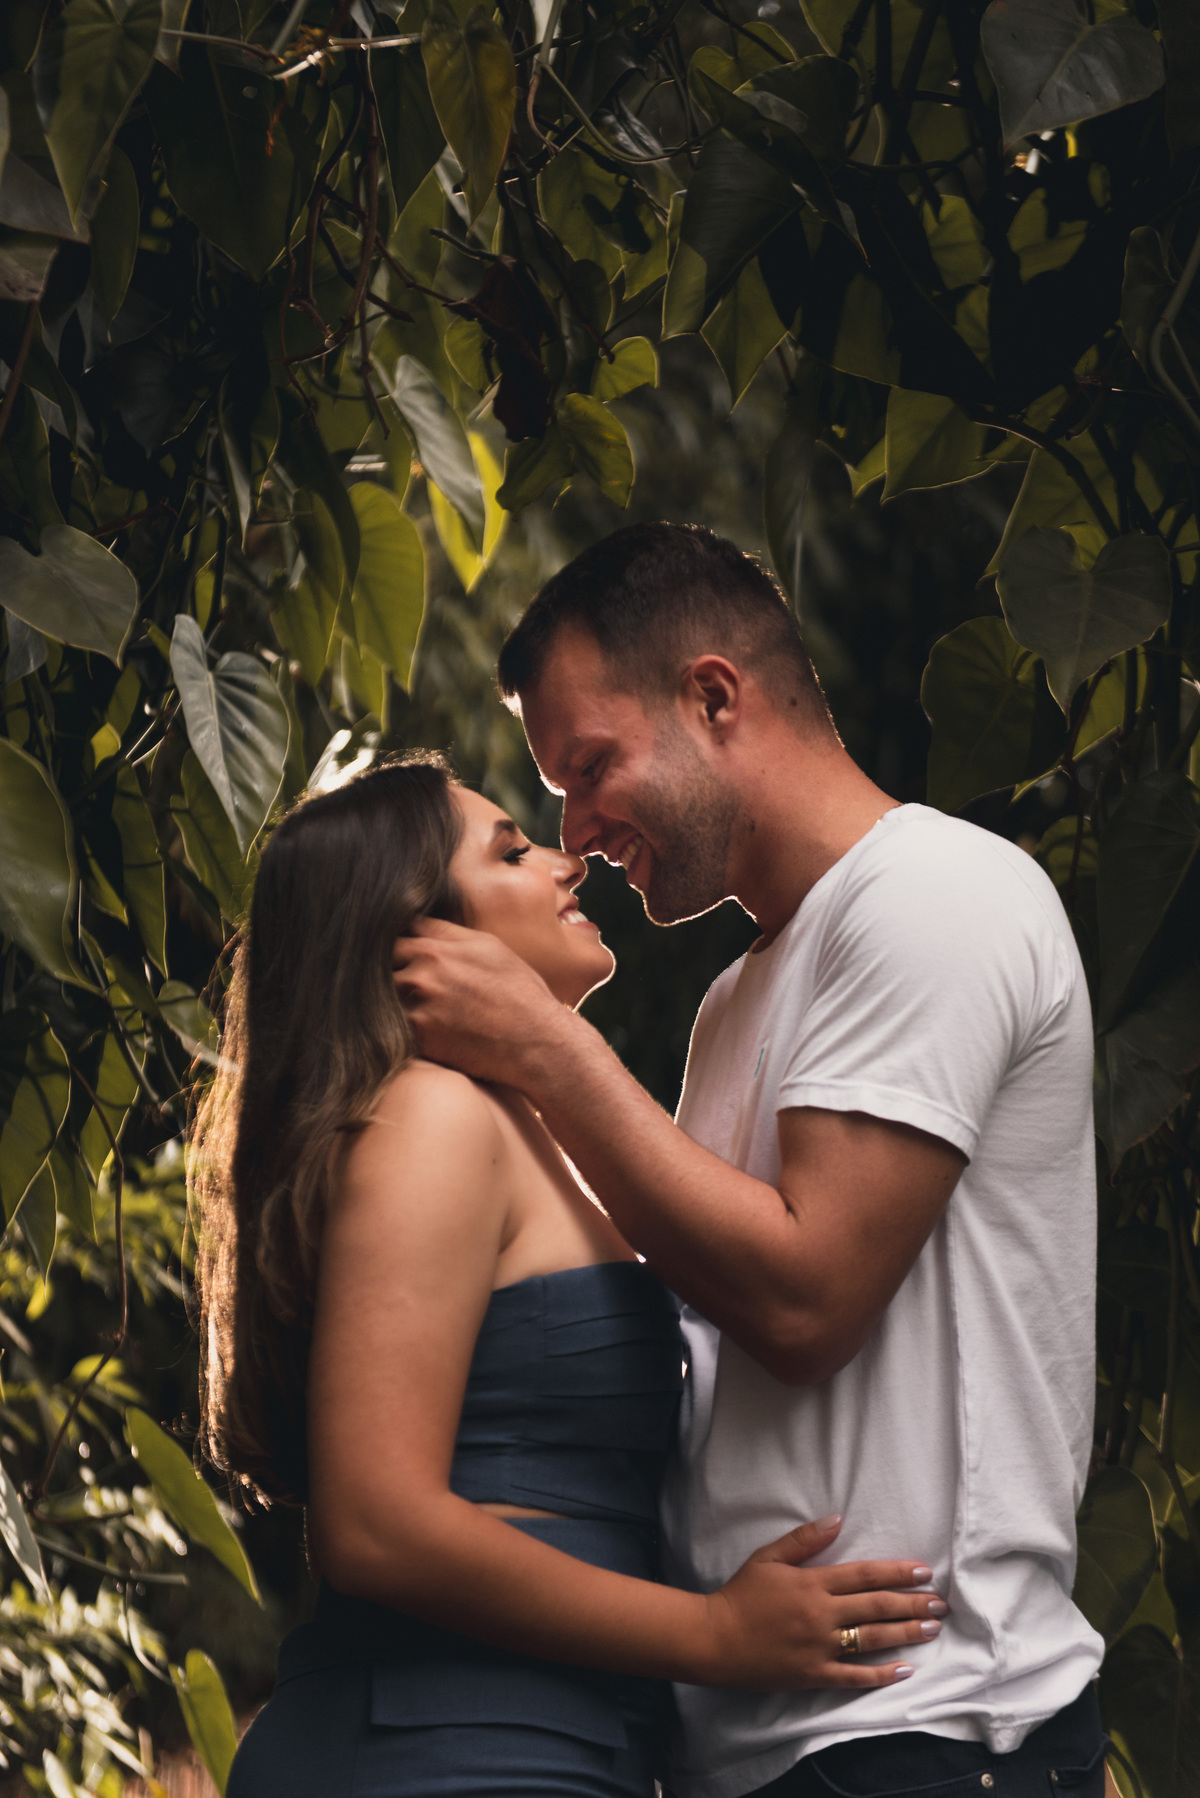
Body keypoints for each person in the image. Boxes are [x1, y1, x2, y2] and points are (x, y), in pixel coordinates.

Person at [393, 524, 1110, 1798]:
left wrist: (546, 1052)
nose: (576, 829)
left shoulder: (934, 892)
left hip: (928, 1727)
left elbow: (803, 1301)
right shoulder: (732, 1003)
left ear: (713, 697)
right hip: (764, 1745)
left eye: (590, 766)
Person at [191, 753, 943, 1798]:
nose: (567, 861)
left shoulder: (514, 1129)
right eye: (511, 852)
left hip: (544, 1741)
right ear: (419, 932)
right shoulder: (433, 1118)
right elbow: (372, 1524)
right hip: (435, 1748)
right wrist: (715, 1634)